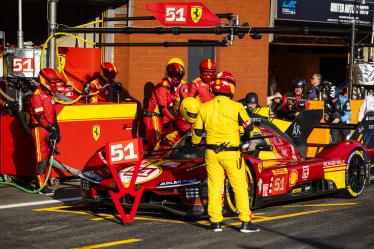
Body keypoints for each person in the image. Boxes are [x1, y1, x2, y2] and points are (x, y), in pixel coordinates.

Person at [191, 71, 259, 233]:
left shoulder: (204, 107)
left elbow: (197, 133)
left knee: (214, 187)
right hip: (231, 152)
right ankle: (245, 222)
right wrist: (247, 138)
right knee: (240, 186)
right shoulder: (236, 107)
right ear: (231, 87)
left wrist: (194, 143)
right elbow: (249, 128)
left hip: (211, 153)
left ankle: (215, 222)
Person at [28, 68, 61, 194]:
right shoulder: (37, 95)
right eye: (52, 82)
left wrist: (57, 129)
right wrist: (50, 128)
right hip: (39, 129)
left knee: (47, 155)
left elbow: (53, 113)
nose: (54, 85)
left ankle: (43, 181)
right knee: (41, 156)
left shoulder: (49, 94)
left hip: (48, 128)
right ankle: (41, 185)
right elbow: (39, 117)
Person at [144, 58, 185, 150]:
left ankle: (144, 157)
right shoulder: (163, 87)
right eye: (174, 75)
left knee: (152, 144)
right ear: (168, 74)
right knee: (157, 143)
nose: (176, 78)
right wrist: (175, 120)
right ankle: (153, 162)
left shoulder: (169, 87)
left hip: (157, 117)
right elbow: (163, 108)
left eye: (178, 76)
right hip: (153, 117)